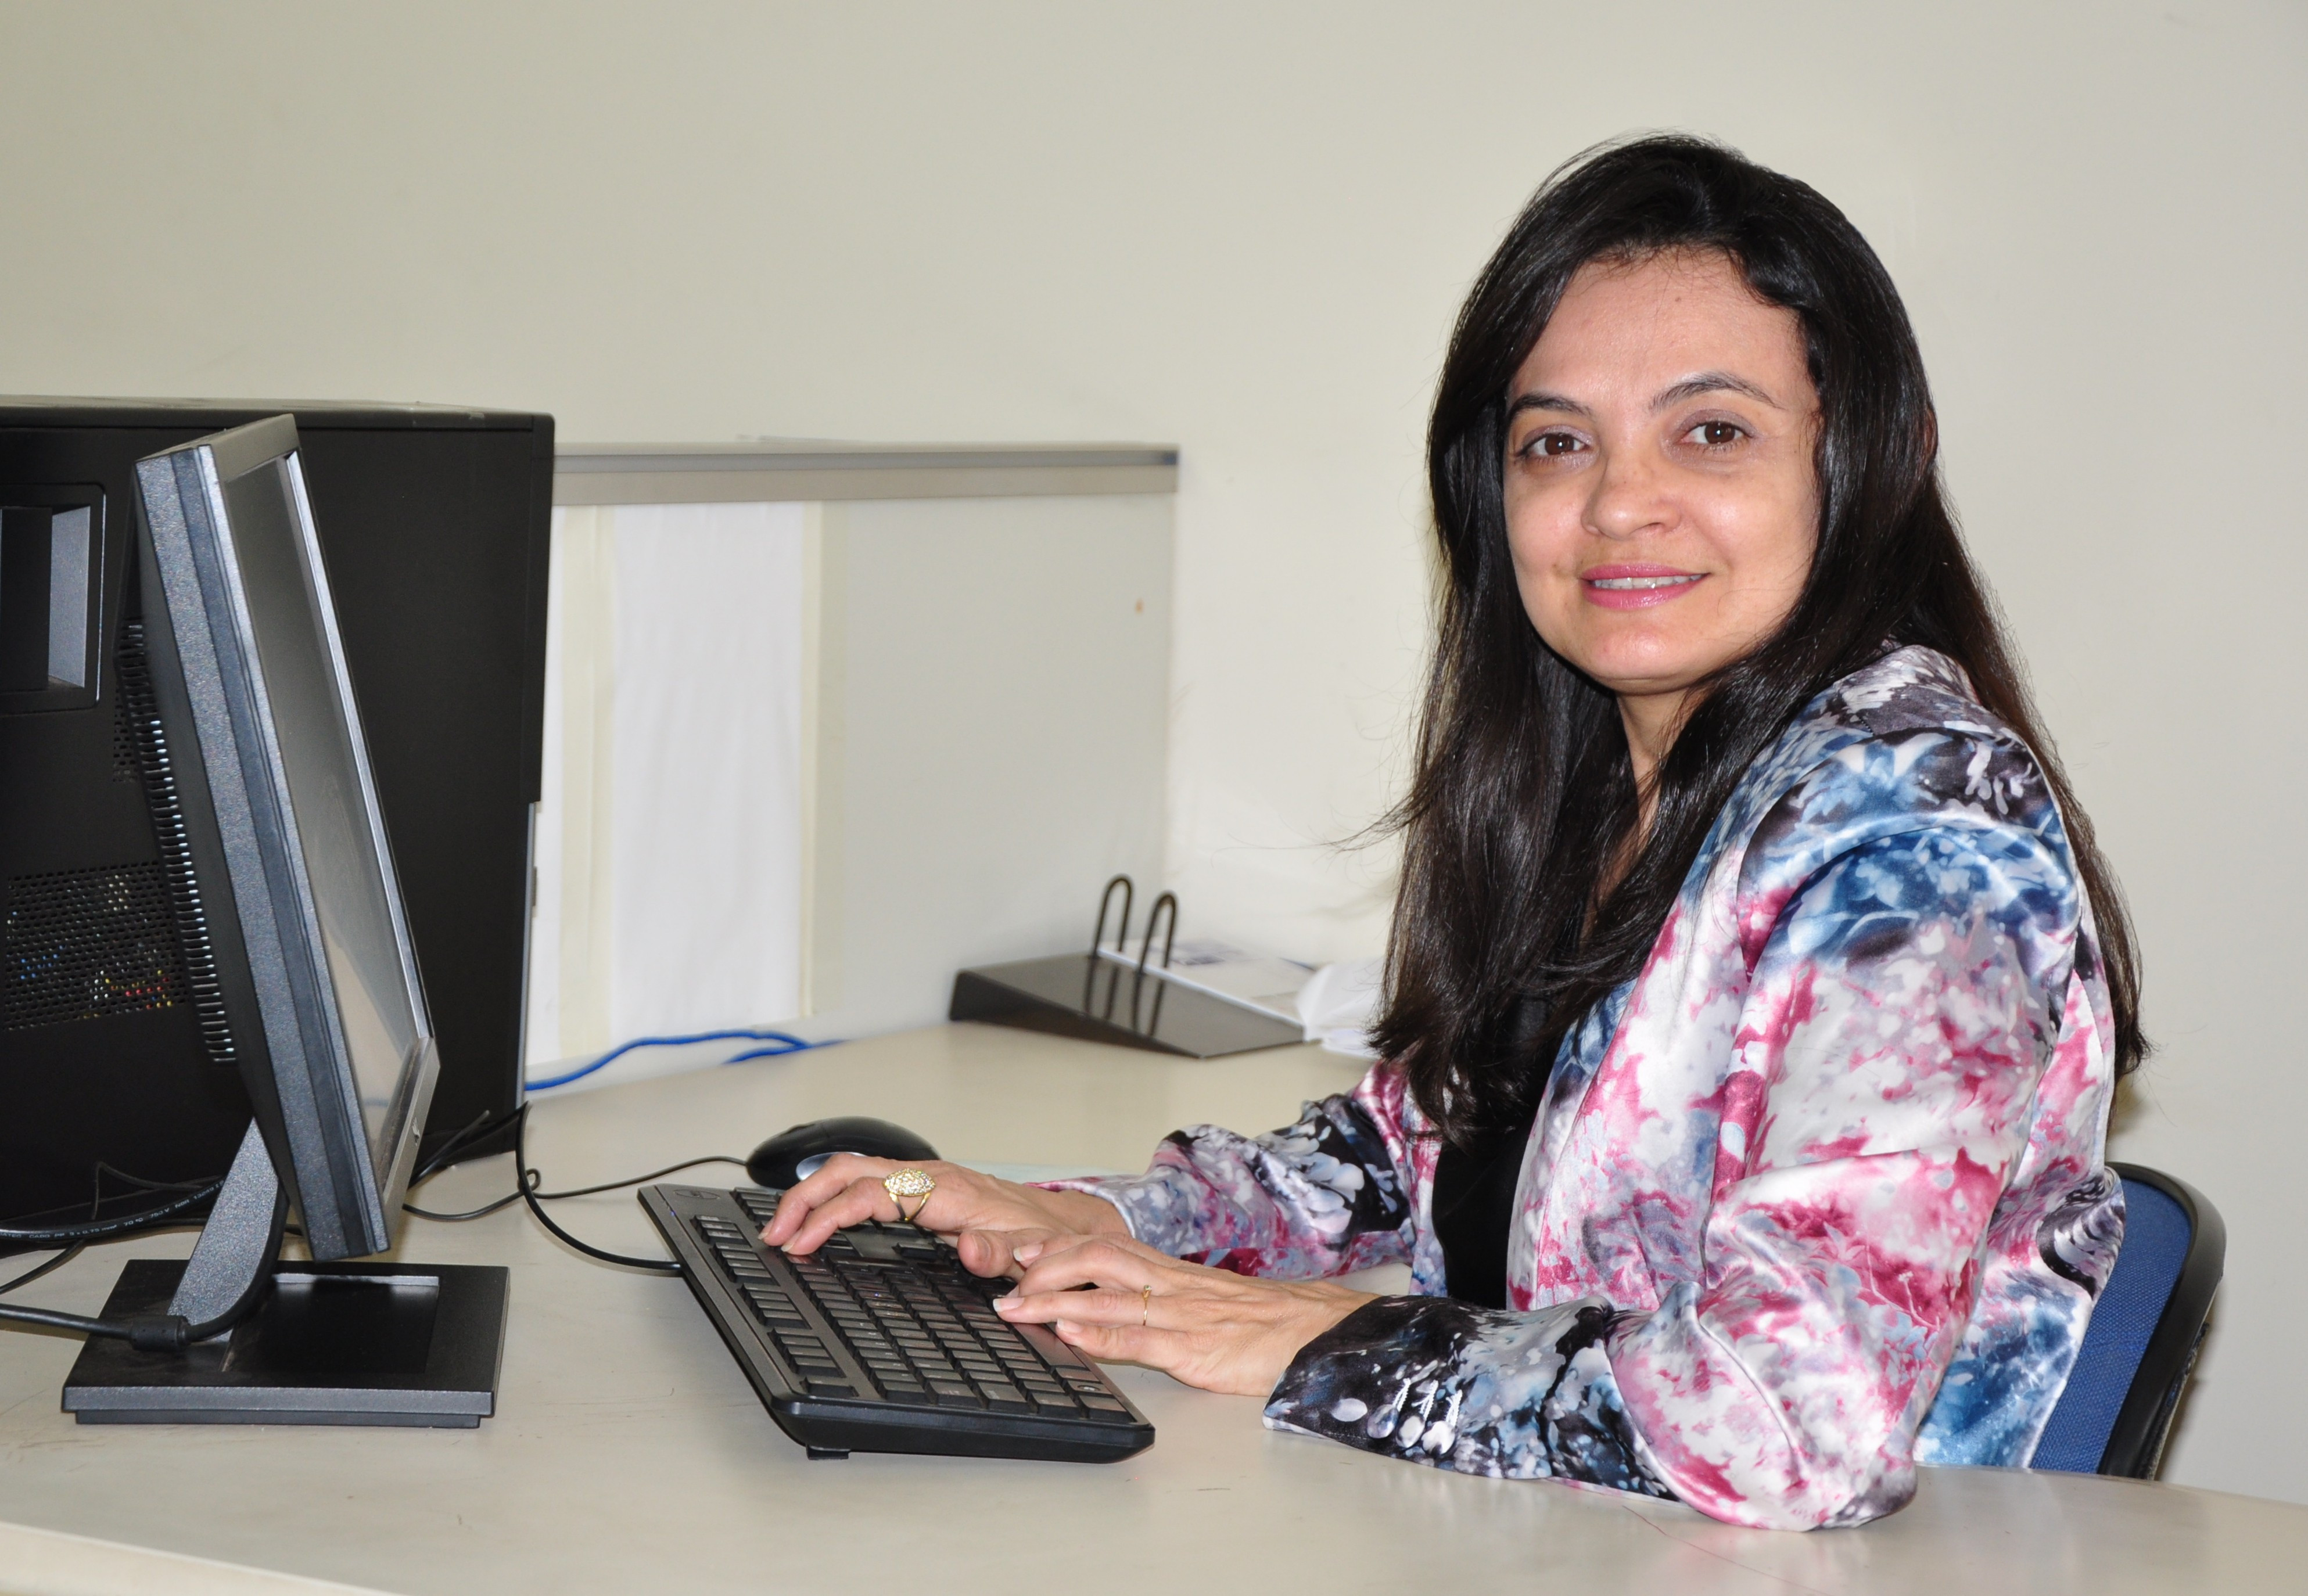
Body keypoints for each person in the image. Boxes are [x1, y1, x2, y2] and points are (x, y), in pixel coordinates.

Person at [762, 135, 2140, 1532]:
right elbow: (1405, 1154)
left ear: (1869, 457)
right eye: (1557, 442)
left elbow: (1791, 1424)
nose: (1617, 502)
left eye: (1711, 431)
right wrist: (1097, 1221)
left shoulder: (1914, 834)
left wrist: (1328, 1343)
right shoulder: (1611, 775)